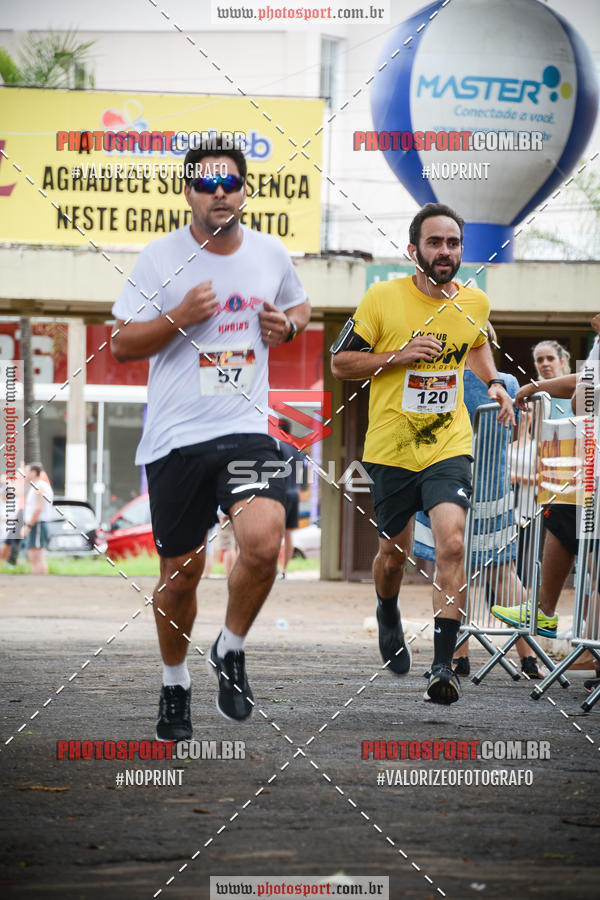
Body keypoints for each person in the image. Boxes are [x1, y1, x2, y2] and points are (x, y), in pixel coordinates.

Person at [111, 135, 311, 740]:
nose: (220, 192)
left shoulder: (271, 253)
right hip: (176, 437)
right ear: (189, 192)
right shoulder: (159, 258)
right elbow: (120, 344)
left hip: (244, 428)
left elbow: (300, 308)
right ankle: (175, 684)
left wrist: (286, 326)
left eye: (231, 183)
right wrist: (179, 318)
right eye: (207, 183)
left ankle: (231, 646)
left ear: (244, 191)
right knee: (181, 574)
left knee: (264, 540)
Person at [331, 202, 515, 705]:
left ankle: (442, 666)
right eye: (435, 243)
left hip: (448, 443)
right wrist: (399, 356)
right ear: (414, 250)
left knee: (453, 542)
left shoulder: (474, 302)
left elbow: (474, 343)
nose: (445, 251)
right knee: (395, 555)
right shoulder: (383, 298)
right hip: (391, 447)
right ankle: (387, 609)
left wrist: (495, 382)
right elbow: (341, 363)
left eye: (453, 243)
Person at [413, 333, 543, 679]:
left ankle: (457, 655)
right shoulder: (509, 383)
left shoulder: (442, 378)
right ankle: (528, 656)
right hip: (493, 484)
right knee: (505, 571)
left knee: (450, 569)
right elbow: (515, 430)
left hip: (446, 482)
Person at [492, 315, 600, 690]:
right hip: (575, 469)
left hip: (585, 462)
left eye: (549, 359)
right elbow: (584, 385)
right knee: (565, 521)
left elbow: (583, 392)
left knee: (590, 560)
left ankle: (562, 625)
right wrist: (535, 387)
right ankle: (551, 616)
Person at [276, 420, 306, 579]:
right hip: (294, 493)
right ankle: (283, 570)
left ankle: (272, 568)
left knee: (275, 532)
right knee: (288, 533)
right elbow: (303, 474)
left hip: (280, 494)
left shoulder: (277, 446)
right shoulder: (297, 449)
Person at [21, 463, 54, 575]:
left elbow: (38, 508)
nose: (24, 474)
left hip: (37, 525)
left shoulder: (40, 487)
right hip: (36, 525)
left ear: (34, 473)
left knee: (37, 557)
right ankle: (37, 581)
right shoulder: (36, 486)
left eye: (27, 472)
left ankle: (40, 582)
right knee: (34, 556)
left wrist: (28, 526)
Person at [532, 339, 571, 418]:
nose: (545, 364)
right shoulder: (533, 396)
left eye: (550, 358)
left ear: (561, 362)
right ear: (536, 366)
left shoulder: (574, 390)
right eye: (540, 360)